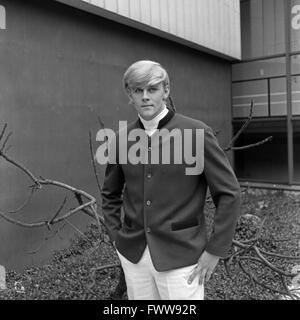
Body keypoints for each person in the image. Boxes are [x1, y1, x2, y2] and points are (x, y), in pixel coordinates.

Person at [100, 60, 241, 300]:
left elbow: (229, 193)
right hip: (134, 256)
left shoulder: (196, 133)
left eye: (152, 89)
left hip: (182, 256)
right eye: (138, 90)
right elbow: (110, 195)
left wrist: (215, 251)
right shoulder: (120, 140)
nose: (145, 97)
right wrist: (117, 238)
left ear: (166, 90)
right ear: (129, 95)